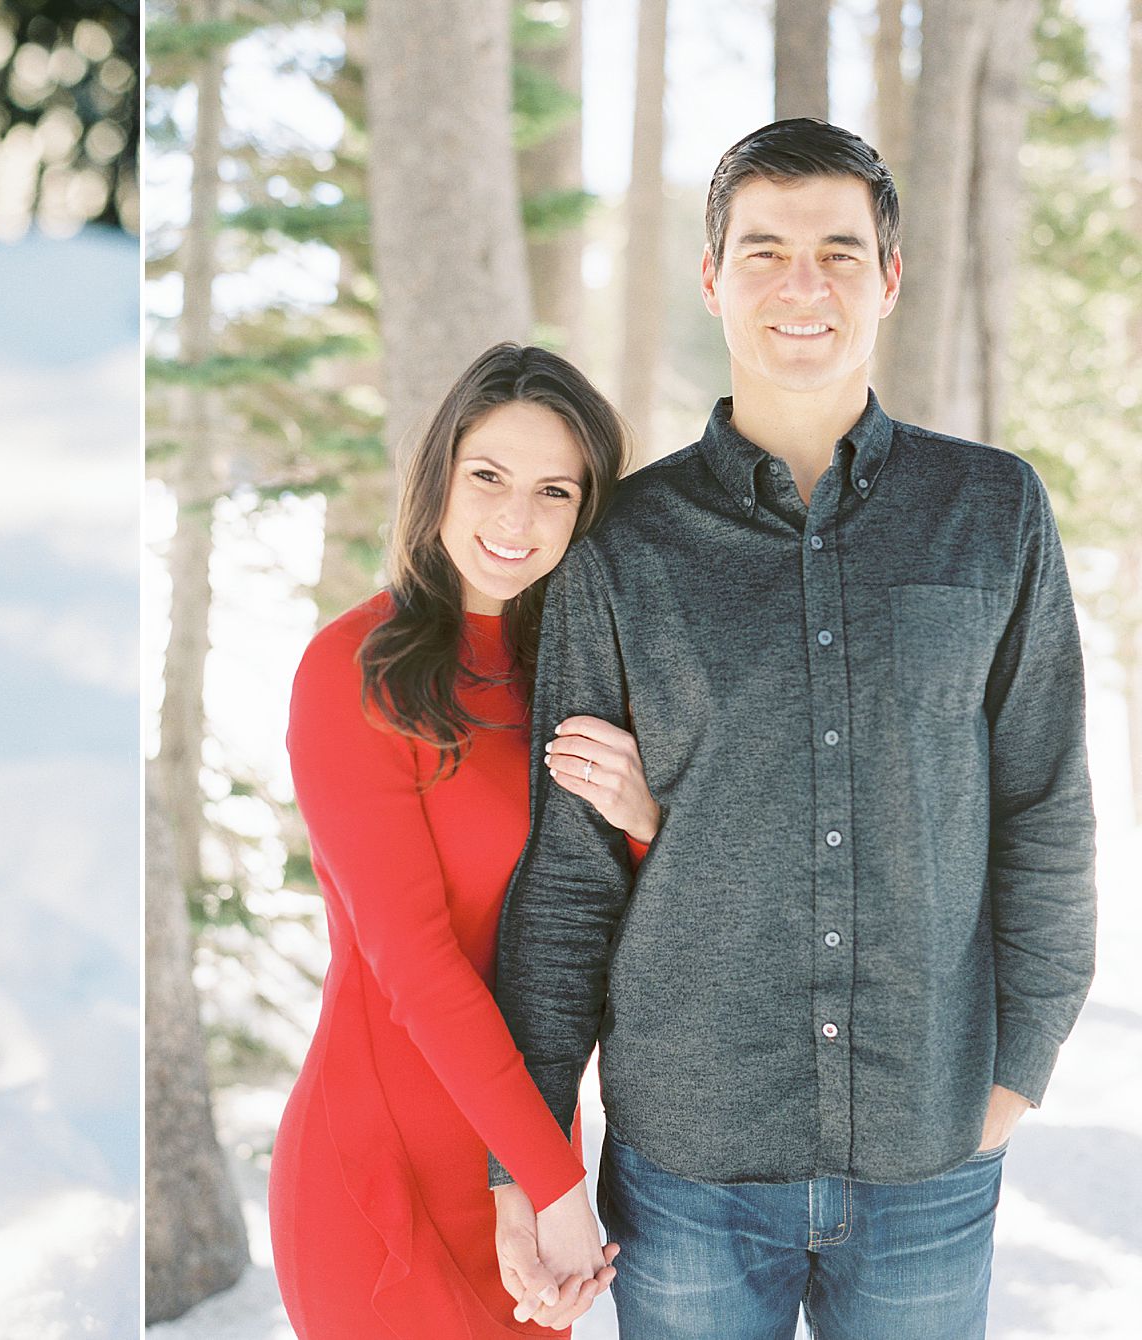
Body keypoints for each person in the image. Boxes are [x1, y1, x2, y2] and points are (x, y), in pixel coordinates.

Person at [492, 118, 1097, 1338]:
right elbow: (563, 885)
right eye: (762, 250)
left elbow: (1044, 807)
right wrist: (527, 1167)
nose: (799, 284)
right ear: (711, 278)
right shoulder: (623, 547)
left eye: (834, 247)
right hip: (687, 1166)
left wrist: (1009, 1078)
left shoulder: (990, 511)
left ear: (886, 277)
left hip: (930, 1148)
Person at [274, 343, 646, 1338]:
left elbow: (614, 936)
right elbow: (417, 964)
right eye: (486, 475)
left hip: (525, 1157)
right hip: (381, 1161)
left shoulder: (574, 682)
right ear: (437, 473)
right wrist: (552, 1180)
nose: (513, 520)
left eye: (551, 491)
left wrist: (645, 822)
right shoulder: (351, 671)